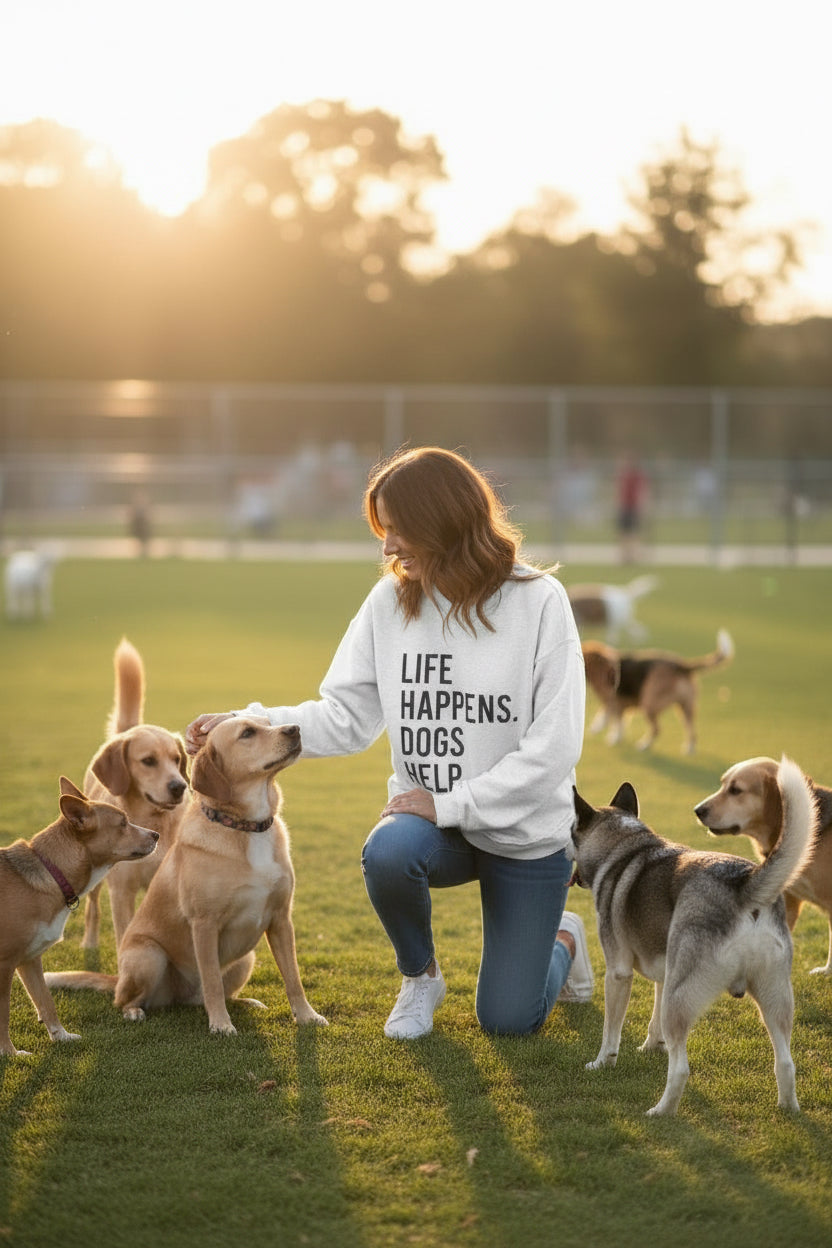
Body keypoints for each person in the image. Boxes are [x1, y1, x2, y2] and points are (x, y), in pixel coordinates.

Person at [185, 446, 592, 1040]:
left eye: (398, 530)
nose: (388, 548)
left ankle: (564, 938)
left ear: (445, 523)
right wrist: (247, 717)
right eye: (383, 531)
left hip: (525, 833)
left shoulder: (538, 602)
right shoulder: (389, 603)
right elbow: (346, 715)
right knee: (388, 852)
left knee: (509, 1019)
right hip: (431, 829)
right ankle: (420, 976)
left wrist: (450, 803)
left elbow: (555, 748)